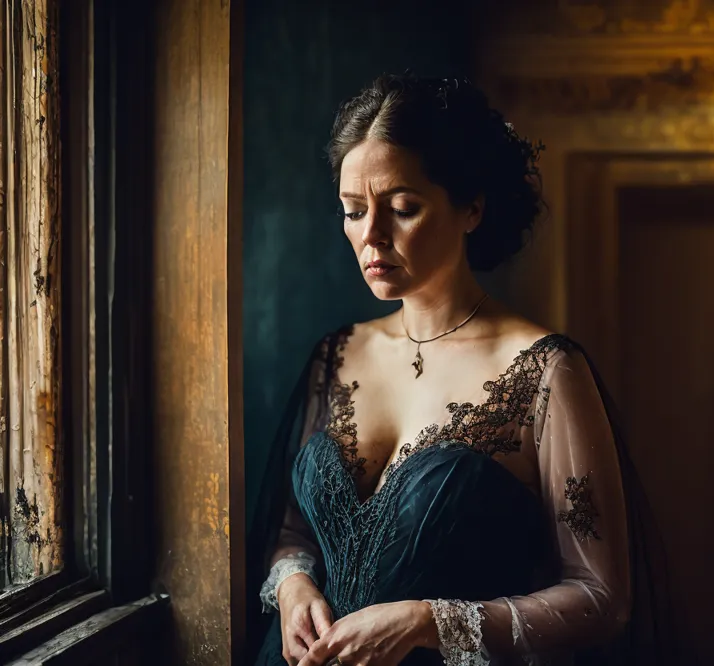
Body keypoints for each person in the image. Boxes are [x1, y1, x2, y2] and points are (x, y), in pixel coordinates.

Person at [247, 73, 675, 666]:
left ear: (471, 206)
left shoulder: (544, 372)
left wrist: (428, 622)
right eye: (351, 210)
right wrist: (293, 589)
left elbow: (602, 597)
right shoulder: (336, 356)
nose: (370, 236)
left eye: (402, 209)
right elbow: (293, 533)